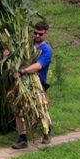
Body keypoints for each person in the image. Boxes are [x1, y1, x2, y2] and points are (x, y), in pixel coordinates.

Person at [12, 20, 53, 149]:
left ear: (46, 34)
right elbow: (16, 55)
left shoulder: (46, 50)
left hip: (38, 83)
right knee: (19, 109)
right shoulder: (26, 45)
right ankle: (22, 138)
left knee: (39, 109)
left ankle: (46, 132)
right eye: (35, 33)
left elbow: (38, 65)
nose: (37, 36)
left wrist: (23, 71)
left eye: (40, 34)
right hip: (23, 82)